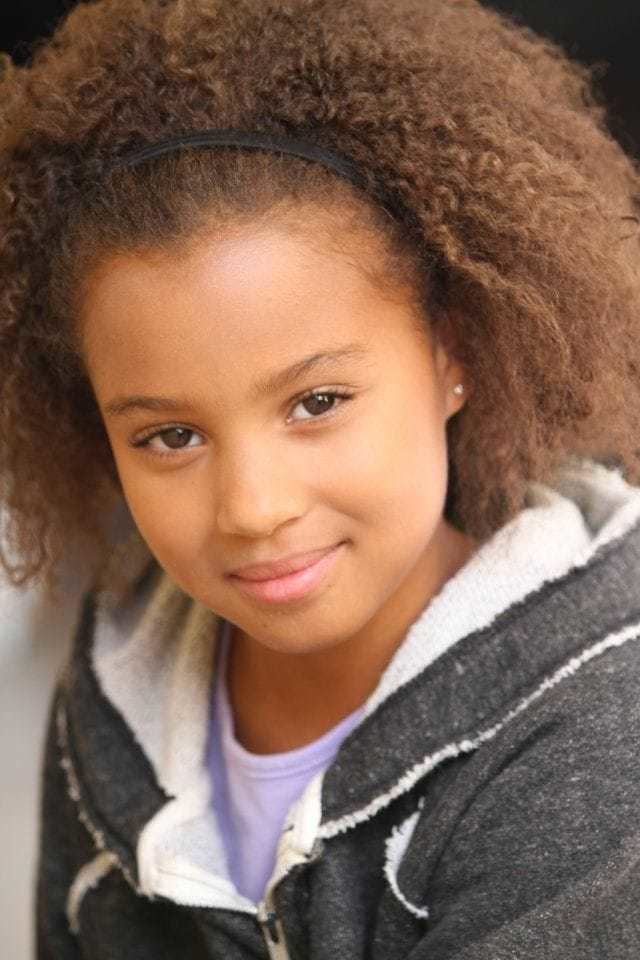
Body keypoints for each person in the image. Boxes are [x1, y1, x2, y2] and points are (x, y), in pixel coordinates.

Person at [1, 0, 640, 956]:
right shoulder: (114, 685)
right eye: (172, 435)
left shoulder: (595, 736)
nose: (254, 508)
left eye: (317, 403)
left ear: (452, 352)